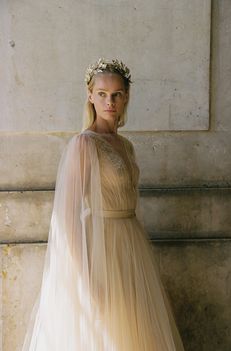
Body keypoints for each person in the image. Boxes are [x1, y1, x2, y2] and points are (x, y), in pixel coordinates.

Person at [21, 58, 185, 350]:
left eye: (117, 94)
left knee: (134, 328)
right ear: (90, 95)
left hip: (130, 243)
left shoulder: (126, 145)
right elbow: (67, 216)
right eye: (102, 94)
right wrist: (84, 277)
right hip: (100, 250)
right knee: (105, 332)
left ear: (126, 98)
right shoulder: (84, 145)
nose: (109, 101)